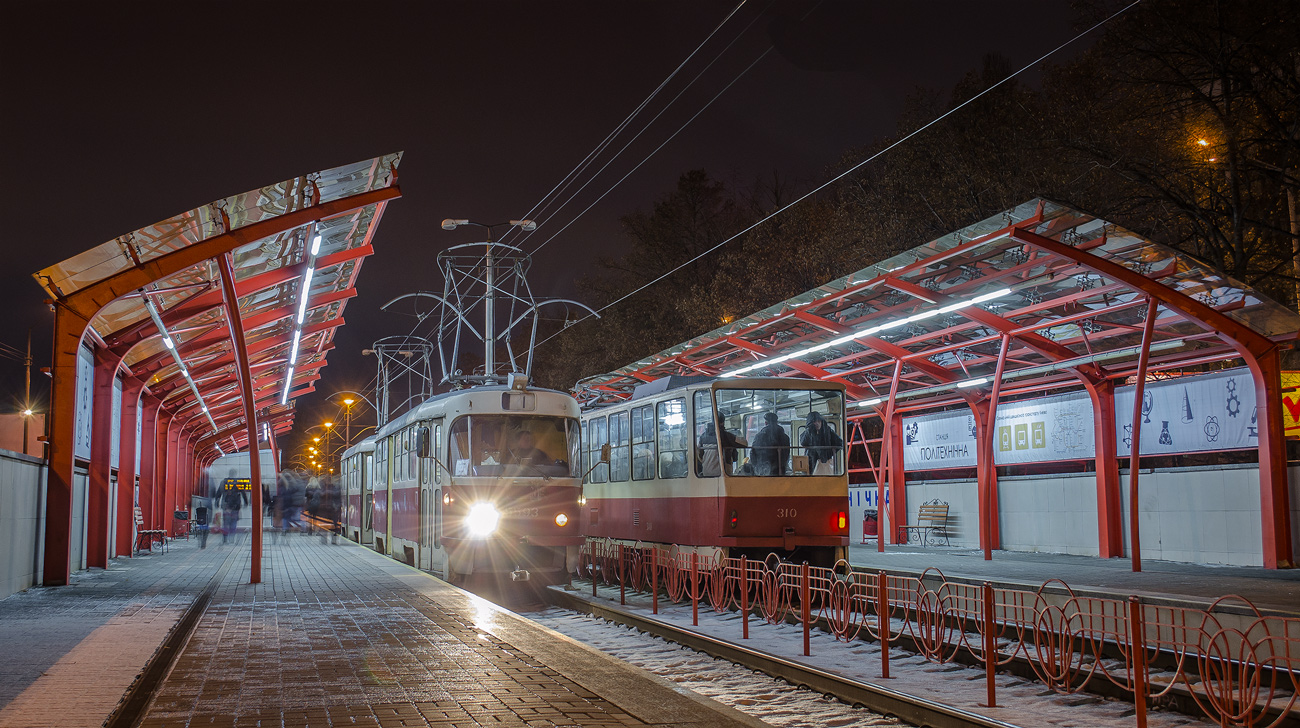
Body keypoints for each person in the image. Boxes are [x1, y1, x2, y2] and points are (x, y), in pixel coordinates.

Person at [801, 411, 843, 475]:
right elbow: (803, 442)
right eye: (814, 422)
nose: (817, 423)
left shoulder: (828, 431)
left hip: (825, 461)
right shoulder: (808, 432)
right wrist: (810, 431)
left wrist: (829, 453)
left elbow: (839, 443)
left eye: (819, 421)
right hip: (810, 461)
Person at [219, 470, 248, 544]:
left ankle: (225, 538)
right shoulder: (239, 482)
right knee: (233, 522)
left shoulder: (224, 482)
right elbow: (243, 493)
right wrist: (246, 502)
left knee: (226, 522)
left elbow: (219, 492)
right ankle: (231, 538)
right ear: (235, 474)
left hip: (226, 505)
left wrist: (217, 501)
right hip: (236, 506)